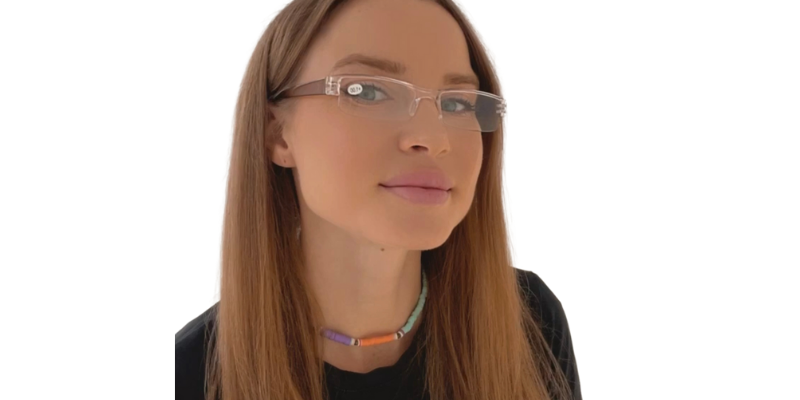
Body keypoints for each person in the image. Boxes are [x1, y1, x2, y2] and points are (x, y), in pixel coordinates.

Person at [175, 0, 581, 399]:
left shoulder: (531, 321)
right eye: (368, 91)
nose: (432, 138)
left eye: (457, 102)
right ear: (276, 133)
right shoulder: (185, 376)